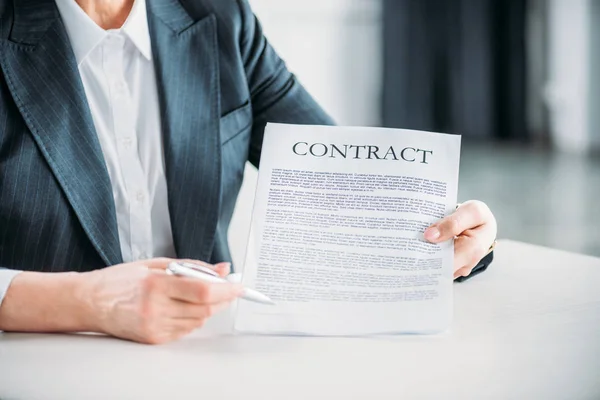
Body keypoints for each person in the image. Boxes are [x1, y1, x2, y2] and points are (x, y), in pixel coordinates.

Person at [0, 0, 497, 344]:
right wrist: (88, 303)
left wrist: (454, 232)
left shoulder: (219, 17)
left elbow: (351, 188)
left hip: (208, 358)